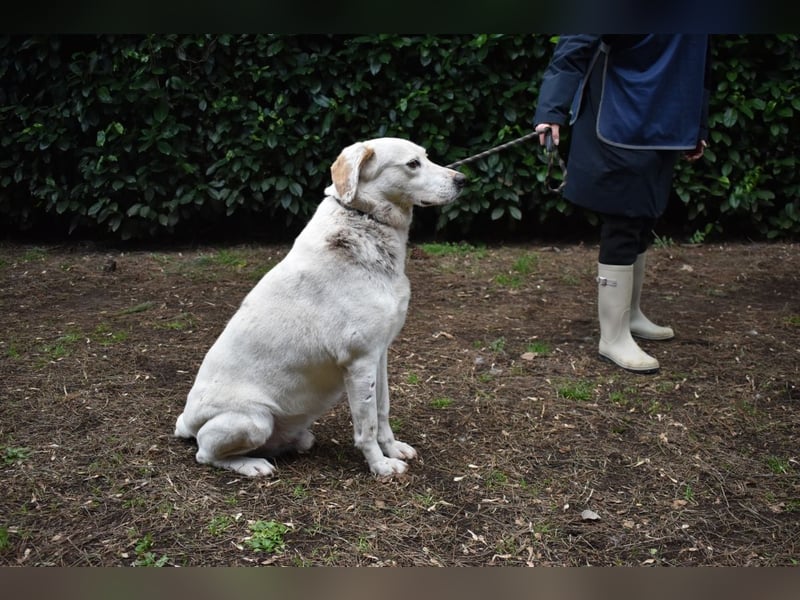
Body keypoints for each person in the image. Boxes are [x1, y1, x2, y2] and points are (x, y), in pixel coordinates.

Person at [533, 34, 710, 374]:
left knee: (645, 215)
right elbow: (576, 41)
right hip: (619, 113)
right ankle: (613, 337)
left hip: (668, 119)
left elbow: (699, 61)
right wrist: (551, 109)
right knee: (624, 218)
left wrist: (696, 124)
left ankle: (631, 314)